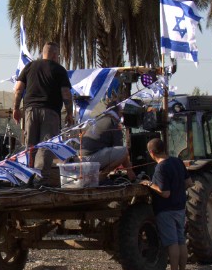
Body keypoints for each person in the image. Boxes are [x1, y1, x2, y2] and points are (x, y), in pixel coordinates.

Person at [12, 41, 74, 172]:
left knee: (30, 146)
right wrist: (69, 113)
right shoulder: (59, 69)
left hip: (30, 111)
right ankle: (40, 179)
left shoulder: (29, 66)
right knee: (46, 146)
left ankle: (29, 176)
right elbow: (66, 94)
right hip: (50, 112)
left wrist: (16, 108)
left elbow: (18, 89)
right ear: (54, 55)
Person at [140, 137, 192, 270]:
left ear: (151, 153)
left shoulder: (161, 167)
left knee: (172, 243)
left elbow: (165, 192)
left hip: (166, 209)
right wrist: (178, 192)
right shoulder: (177, 161)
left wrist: (149, 183)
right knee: (181, 240)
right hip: (180, 207)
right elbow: (189, 183)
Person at [78, 105, 136, 181]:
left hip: (82, 158)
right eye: (121, 112)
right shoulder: (113, 122)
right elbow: (121, 151)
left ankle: (100, 176)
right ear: (118, 112)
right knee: (124, 151)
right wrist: (130, 171)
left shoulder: (99, 119)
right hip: (91, 158)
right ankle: (101, 176)